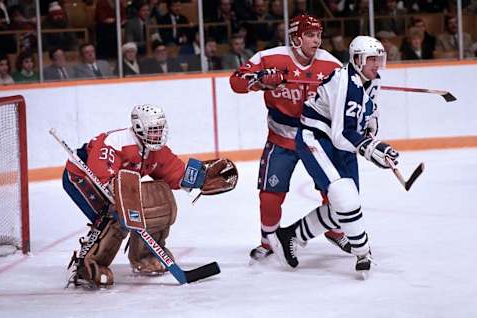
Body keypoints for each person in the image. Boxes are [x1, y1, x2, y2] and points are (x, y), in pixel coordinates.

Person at [63, 104, 236, 288]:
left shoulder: (156, 150)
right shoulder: (115, 142)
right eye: (153, 130)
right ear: (139, 128)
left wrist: (201, 178)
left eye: (160, 129)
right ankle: (87, 264)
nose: (158, 134)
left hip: (118, 183)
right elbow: (102, 174)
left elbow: (174, 173)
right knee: (114, 214)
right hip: (82, 177)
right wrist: (125, 202)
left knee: (158, 201)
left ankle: (146, 256)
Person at [268, 36, 398, 276]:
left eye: (379, 59)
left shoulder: (372, 80)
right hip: (317, 138)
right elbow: (340, 134)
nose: (376, 65)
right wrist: (371, 148)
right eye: (371, 59)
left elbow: (369, 116)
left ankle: (289, 236)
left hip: (344, 144)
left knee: (346, 209)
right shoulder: (344, 83)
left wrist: (370, 132)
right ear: (357, 59)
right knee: (344, 199)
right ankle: (362, 251)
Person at [229, 14, 348, 263]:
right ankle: (268, 240)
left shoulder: (332, 66)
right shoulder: (269, 58)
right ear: (296, 37)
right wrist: (260, 81)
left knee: (333, 189)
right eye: (310, 35)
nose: (317, 40)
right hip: (281, 138)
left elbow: (346, 100)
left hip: (316, 139)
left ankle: (335, 229)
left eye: (318, 35)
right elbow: (236, 81)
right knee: (270, 194)